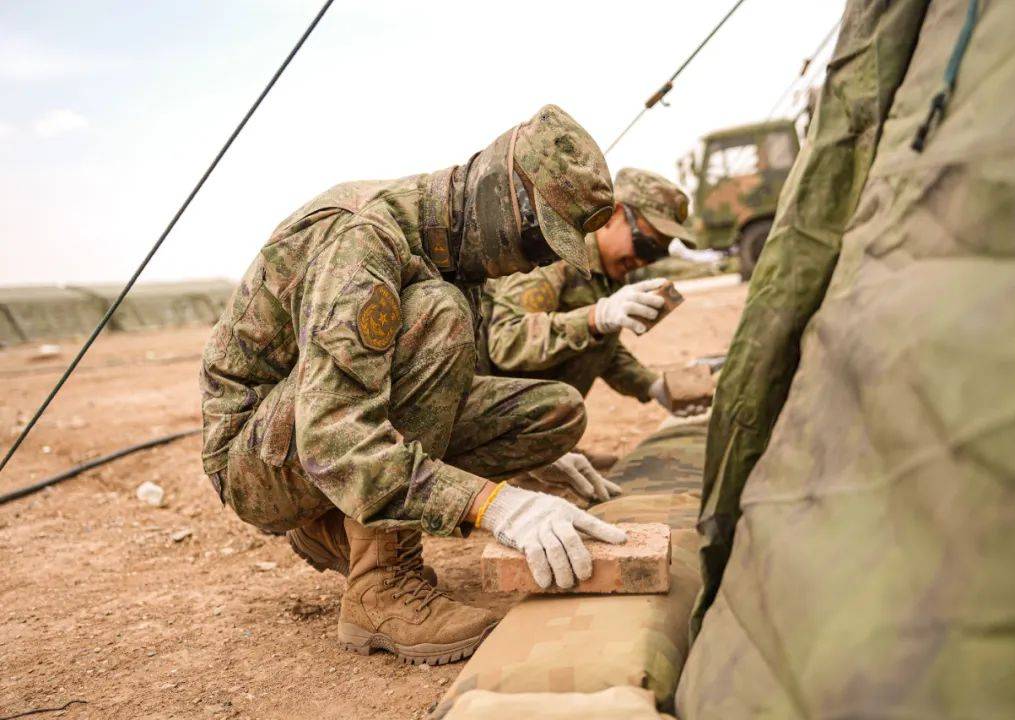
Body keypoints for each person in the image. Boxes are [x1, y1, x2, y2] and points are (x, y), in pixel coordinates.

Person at [199, 105, 628, 666]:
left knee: (550, 412)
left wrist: (529, 463)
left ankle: (333, 526)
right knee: (435, 314)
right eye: (536, 243)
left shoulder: (452, 243)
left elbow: (446, 381)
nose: (532, 265)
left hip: (313, 430)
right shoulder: (366, 237)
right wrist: (497, 506)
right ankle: (381, 585)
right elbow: (333, 435)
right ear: (500, 198)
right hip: (258, 456)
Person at [477, 168, 704, 482]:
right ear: (615, 215)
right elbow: (507, 341)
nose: (644, 260)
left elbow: (603, 350)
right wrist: (595, 317)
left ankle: (548, 453)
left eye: (658, 253)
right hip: (486, 408)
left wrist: (652, 386)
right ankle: (517, 463)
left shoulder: (610, 274)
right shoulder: (555, 254)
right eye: (646, 244)